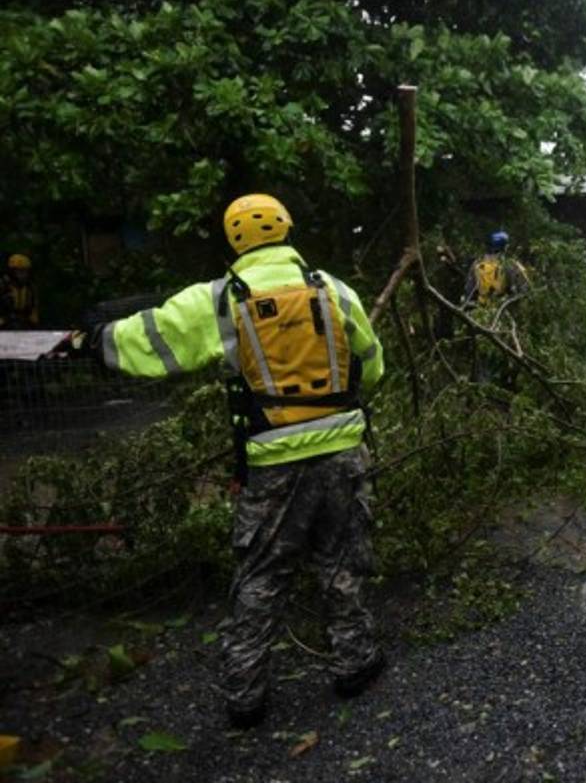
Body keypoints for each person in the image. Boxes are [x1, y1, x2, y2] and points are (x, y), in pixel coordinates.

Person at [73, 194, 387, 727]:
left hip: (274, 458)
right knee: (342, 564)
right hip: (341, 451)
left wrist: (93, 341)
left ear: (234, 240)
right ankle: (354, 666)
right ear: (286, 228)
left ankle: (245, 696)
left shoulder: (218, 300)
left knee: (262, 575)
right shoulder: (332, 288)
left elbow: (151, 338)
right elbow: (372, 365)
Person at [462, 230, 530, 308]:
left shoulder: (476, 264)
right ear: (504, 247)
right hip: (502, 309)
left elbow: (468, 290)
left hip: (479, 308)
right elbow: (525, 290)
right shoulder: (511, 265)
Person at [1, 254, 39, 329]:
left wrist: (33, 323)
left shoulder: (29, 287)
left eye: (25, 271)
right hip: (4, 322)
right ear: (11, 272)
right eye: (20, 271)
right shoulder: (3, 285)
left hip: (23, 323)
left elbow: (33, 308)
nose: (23, 274)